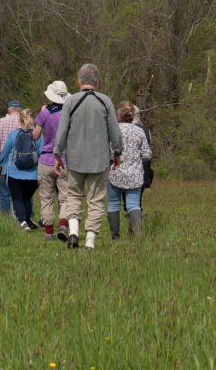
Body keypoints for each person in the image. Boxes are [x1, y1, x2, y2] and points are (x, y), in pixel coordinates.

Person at [52, 63, 122, 250]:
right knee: (96, 199)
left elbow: (62, 131)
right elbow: (115, 131)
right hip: (99, 160)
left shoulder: (70, 101)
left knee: (73, 196)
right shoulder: (106, 101)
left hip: (75, 159)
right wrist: (117, 152)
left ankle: (74, 232)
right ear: (97, 82)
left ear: (79, 81)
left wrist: (57, 155)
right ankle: (90, 241)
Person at [107, 101, 152, 239]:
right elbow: (147, 154)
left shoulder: (113, 130)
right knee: (133, 205)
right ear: (133, 115)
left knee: (113, 204)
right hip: (134, 174)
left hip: (115, 172)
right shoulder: (139, 131)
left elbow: (108, 151)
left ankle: (115, 237)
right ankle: (138, 237)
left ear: (118, 114)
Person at [34, 80, 71, 242]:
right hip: (64, 159)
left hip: (46, 158)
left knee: (46, 197)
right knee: (65, 196)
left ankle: (49, 232)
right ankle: (63, 224)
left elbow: (35, 135)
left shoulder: (45, 113)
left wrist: (42, 115)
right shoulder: (70, 113)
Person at [0, 108, 43, 230]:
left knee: (17, 198)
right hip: (33, 175)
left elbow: (5, 152)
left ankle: (23, 221)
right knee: (27, 197)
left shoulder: (13, 134)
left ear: (20, 121)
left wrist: (0, 165)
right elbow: (41, 153)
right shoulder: (38, 136)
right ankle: (28, 219)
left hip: (14, 173)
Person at [0, 100, 22, 215]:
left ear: (9, 109)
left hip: (4, 160)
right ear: (20, 110)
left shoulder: (1, 122)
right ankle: (19, 217)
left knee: (4, 191)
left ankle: (5, 218)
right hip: (21, 160)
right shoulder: (25, 122)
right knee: (19, 190)